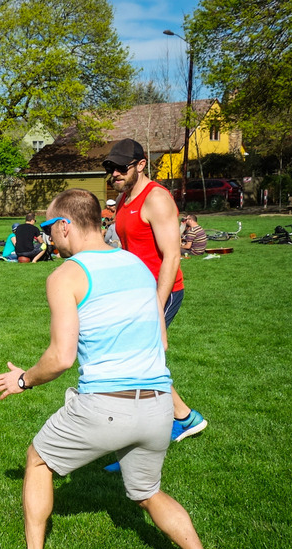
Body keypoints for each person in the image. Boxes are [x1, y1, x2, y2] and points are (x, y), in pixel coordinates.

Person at [0, 188, 225, 549]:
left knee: (38, 460)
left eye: (48, 228)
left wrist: (23, 379)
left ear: (64, 225)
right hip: (157, 408)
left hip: (104, 407)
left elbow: (61, 357)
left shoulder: (65, 275)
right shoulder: (136, 264)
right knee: (148, 493)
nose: (47, 237)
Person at [104, 138, 207, 444]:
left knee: (137, 359)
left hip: (162, 291)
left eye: (121, 167)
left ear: (140, 164)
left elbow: (172, 255)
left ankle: (181, 418)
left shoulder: (157, 199)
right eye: (110, 168)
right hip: (137, 293)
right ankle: (181, 418)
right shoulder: (123, 200)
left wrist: (156, 308)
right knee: (134, 358)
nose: (115, 174)